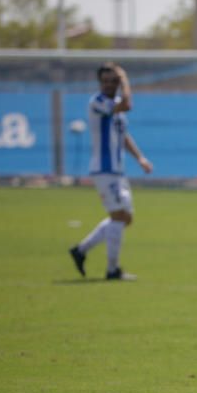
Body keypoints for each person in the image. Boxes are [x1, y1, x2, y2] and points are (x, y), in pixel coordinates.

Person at [69, 62, 152, 281]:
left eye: (113, 81)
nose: (109, 85)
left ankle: (81, 250)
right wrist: (124, 79)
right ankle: (112, 269)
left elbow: (123, 137)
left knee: (126, 218)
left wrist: (140, 158)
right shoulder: (97, 102)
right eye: (105, 81)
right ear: (100, 83)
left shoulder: (115, 108)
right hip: (104, 169)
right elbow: (128, 104)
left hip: (117, 170)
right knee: (118, 217)